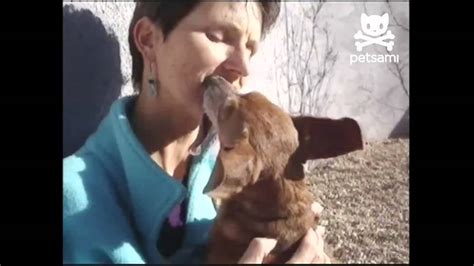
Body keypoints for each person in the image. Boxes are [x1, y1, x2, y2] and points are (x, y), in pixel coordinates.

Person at [63, 1, 331, 264]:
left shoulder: (250, 170)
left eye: (250, 49)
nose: (243, 66)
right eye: (218, 36)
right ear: (148, 40)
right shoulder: (74, 201)